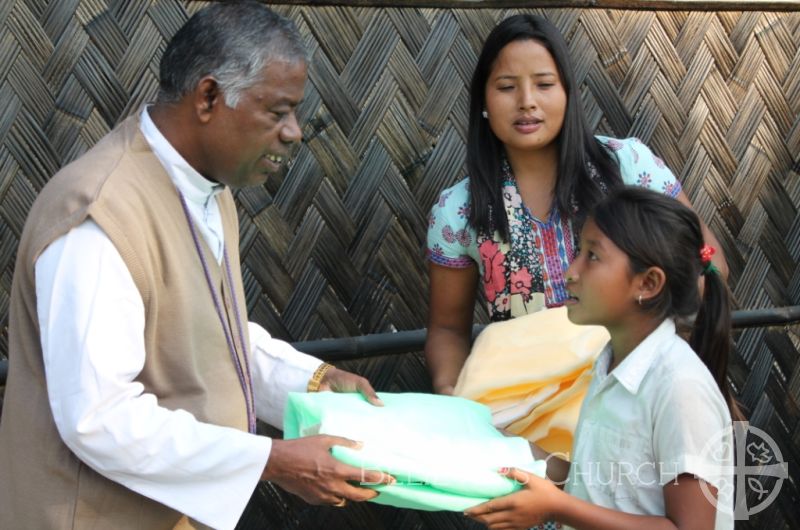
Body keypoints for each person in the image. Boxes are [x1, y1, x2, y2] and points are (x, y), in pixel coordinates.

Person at [0, 3, 392, 529]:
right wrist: (273, 461)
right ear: (209, 97)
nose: (295, 131)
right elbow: (99, 418)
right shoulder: (99, 215)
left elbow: (210, 331)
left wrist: (315, 381)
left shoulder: (205, 186)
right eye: (277, 111)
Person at [424, 14, 728, 397]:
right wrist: (450, 389)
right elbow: (448, 329)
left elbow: (709, 264)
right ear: (483, 100)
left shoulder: (627, 167)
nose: (527, 102)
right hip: (521, 416)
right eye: (506, 87)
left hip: (636, 394)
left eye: (545, 84)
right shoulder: (460, 210)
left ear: (568, 92)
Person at [465, 187, 737, 530]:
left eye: (592, 256)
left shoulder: (679, 388)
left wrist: (558, 508)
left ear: (648, 283)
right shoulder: (610, 366)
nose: (570, 271)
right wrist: (513, 451)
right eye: (579, 251)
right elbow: (596, 484)